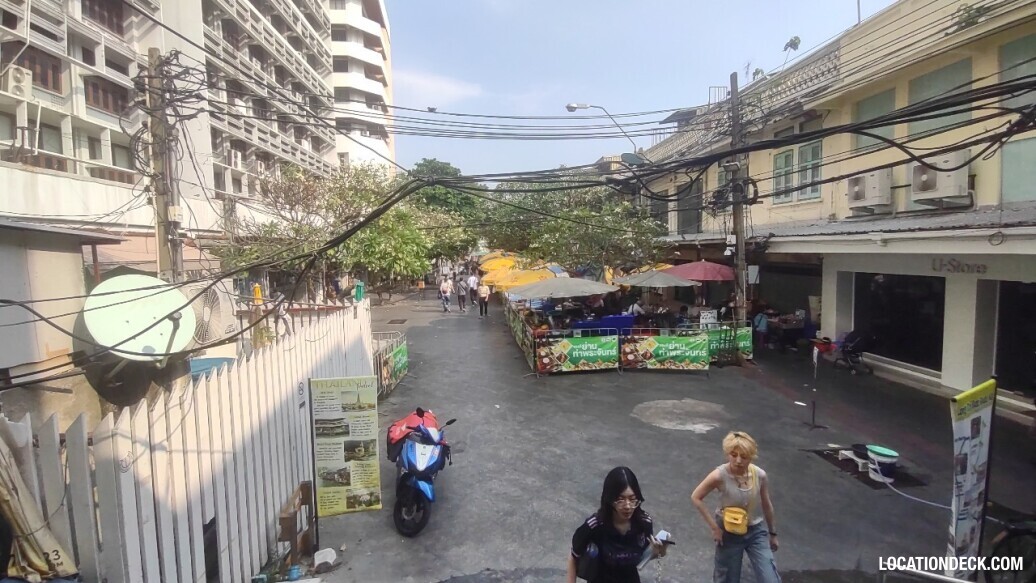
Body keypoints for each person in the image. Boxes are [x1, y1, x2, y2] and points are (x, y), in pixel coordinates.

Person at [691, 431, 780, 583]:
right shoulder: (719, 475)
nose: (738, 460)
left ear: (751, 457)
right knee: (727, 578)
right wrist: (715, 528)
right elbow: (696, 497)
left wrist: (773, 533)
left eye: (743, 456)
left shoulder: (759, 475)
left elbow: (767, 504)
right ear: (728, 454)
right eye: (733, 455)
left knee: (770, 578)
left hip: (755, 530)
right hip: (728, 530)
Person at [567, 467, 666, 583]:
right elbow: (573, 556)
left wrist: (659, 551)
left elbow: (642, 557)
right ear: (609, 499)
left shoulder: (644, 523)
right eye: (620, 499)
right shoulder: (594, 526)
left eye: (632, 499)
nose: (628, 506)